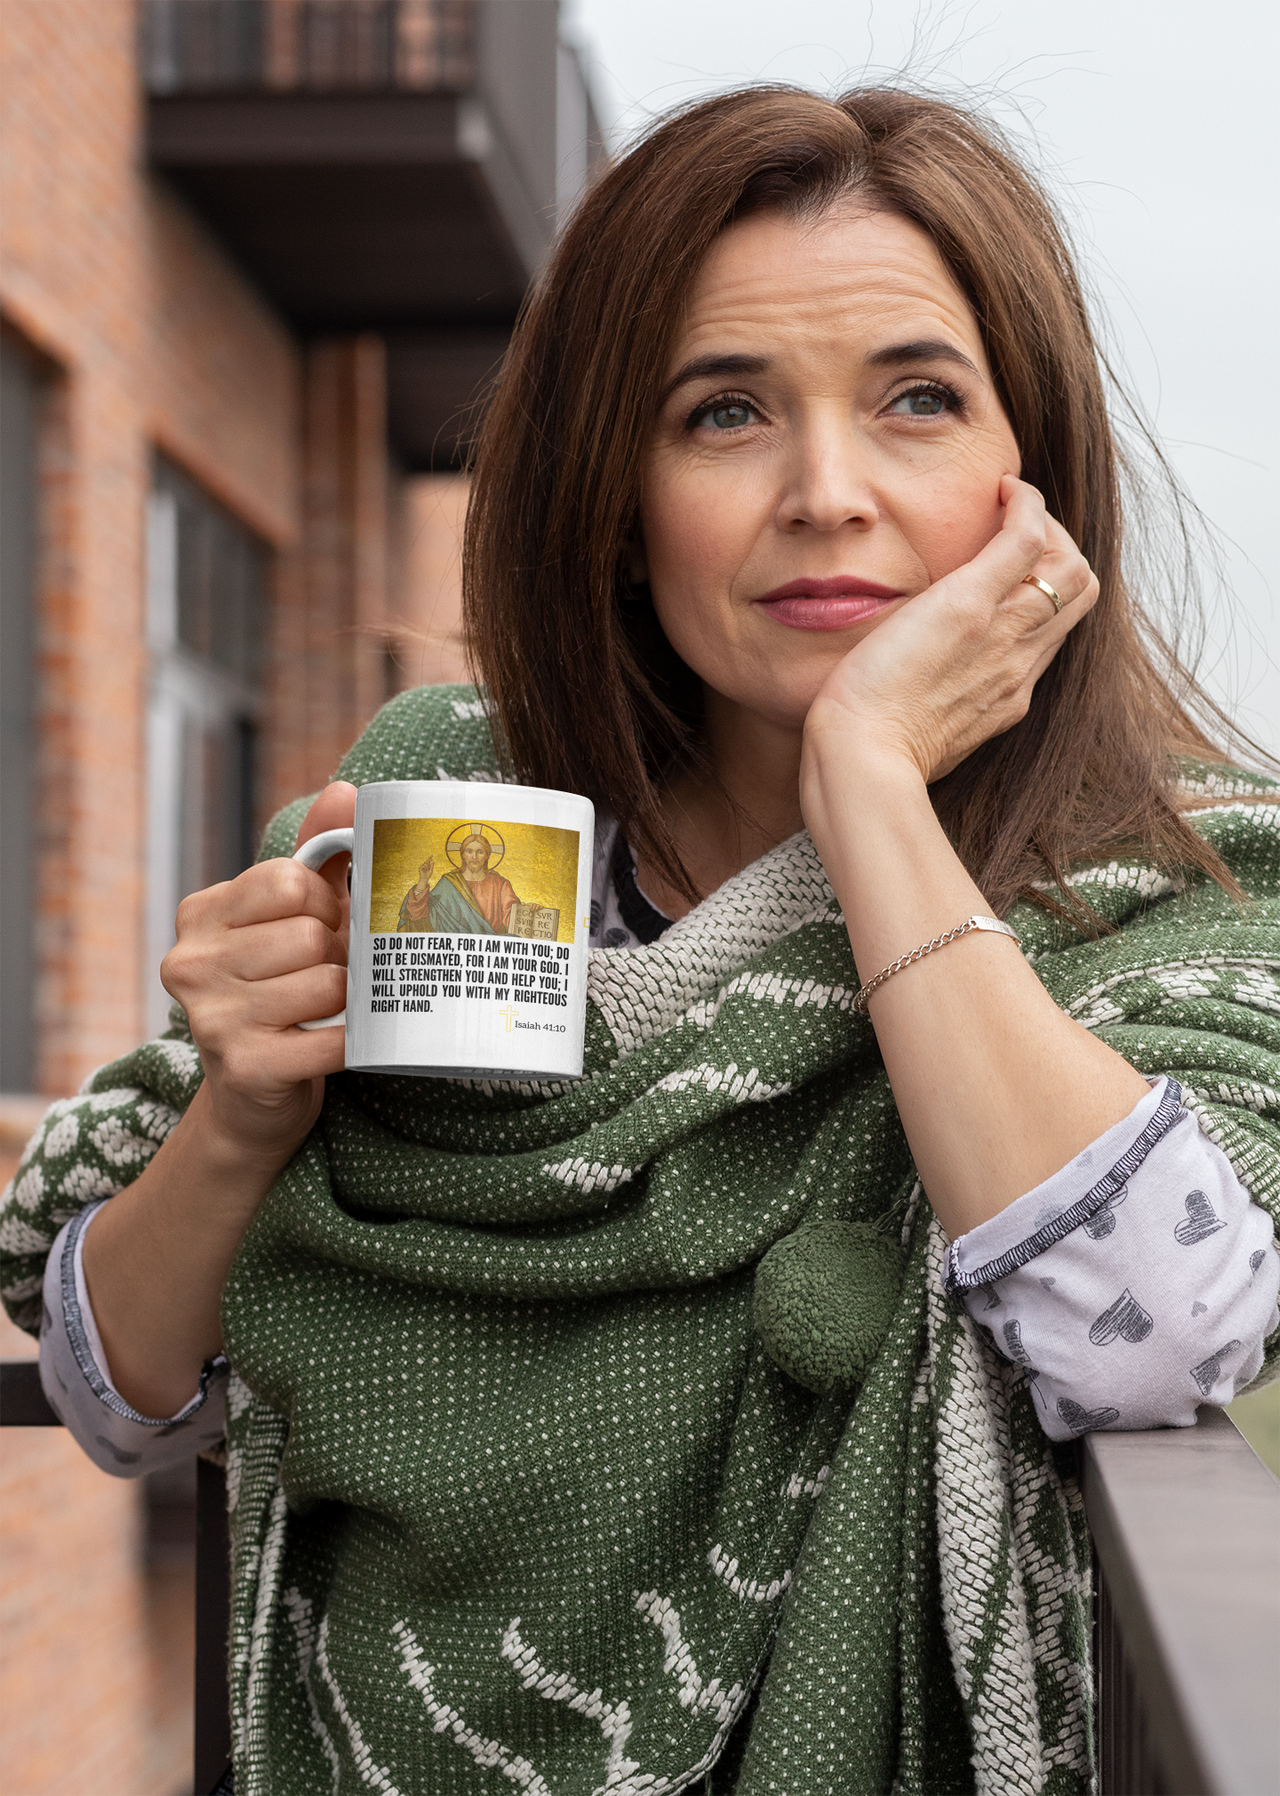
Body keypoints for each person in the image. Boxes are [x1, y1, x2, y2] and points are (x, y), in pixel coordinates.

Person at [4, 87, 1278, 1796]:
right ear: (619, 491)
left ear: (1027, 475)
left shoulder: (1167, 885)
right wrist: (243, 1113)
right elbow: (123, 1397)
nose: (827, 493)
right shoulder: (447, 818)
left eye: (916, 400)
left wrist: (873, 792)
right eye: (726, 412)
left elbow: (1158, 1330)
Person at [396, 830, 520, 933]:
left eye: (480, 852)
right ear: (463, 855)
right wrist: (423, 881)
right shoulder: (449, 883)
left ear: (487, 855)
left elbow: (513, 918)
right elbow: (421, 916)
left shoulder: (500, 884)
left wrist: (529, 911)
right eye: (469, 851)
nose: (474, 857)